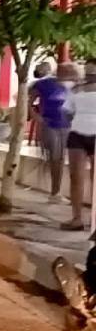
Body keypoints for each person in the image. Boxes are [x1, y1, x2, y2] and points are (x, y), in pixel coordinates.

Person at [62, 61, 96, 231]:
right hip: (77, 134)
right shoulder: (75, 89)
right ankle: (77, 218)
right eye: (88, 70)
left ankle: (94, 220)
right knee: (76, 177)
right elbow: (67, 111)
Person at [31, 61, 72, 199]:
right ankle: (55, 191)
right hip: (50, 124)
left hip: (66, 125)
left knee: (59, 159)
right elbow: (27, 101)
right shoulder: (41, 84)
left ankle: (56, 191)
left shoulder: (69, 85)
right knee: (55, 157)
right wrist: (36, 117)